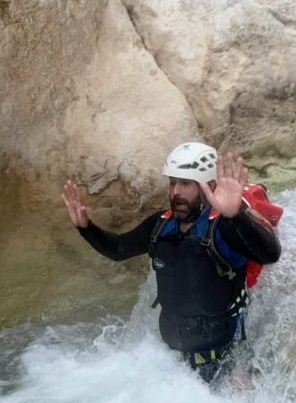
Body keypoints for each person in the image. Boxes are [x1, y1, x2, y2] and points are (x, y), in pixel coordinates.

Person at [62, 142, 282, 382]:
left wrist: (236, 215)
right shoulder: (161, 224)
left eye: (185, 184)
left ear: (208, 186)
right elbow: (119, 249)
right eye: (172, 182)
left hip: (225, 360)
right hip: (172, 362)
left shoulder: (224, 227)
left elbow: (269, 254)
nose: (176, 191)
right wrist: (86, 228)